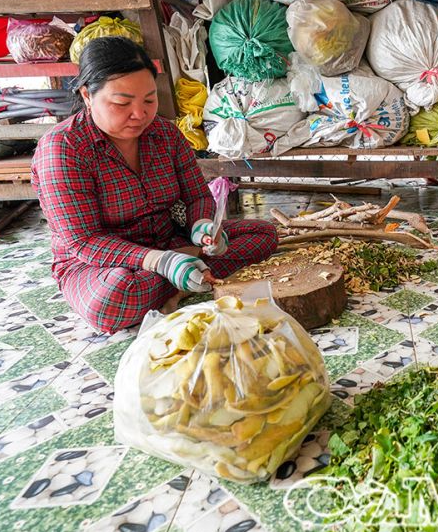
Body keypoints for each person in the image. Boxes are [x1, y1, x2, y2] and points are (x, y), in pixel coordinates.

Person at [32, 36, 278, 333]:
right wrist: (161, 262)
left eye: (149, 100)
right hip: (101, 265)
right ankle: (183, 279)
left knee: (263, 234)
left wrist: (202, 228)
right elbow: (83, 241)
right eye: (122, 103)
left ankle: (182, 278)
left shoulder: (165, 134)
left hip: (169, 242)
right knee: (112, 300)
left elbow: (196, 196)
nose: (140, 114)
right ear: (87, 95)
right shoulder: (63, 148)